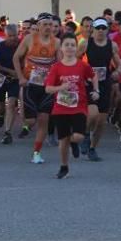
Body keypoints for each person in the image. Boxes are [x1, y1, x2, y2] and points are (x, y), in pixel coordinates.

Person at [44, 33, 99, 179]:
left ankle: (74, 143)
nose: (69, 48)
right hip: (60, 108)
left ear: (76, 48)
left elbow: (93, 76)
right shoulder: (56, 67)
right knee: (63, 140)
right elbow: (48, 88)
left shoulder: (82, 65)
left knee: (79, 136)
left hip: (79, 107)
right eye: (66, 45)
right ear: (61, 48)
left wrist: (96, 90)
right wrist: (60, 88)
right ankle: (64, 166)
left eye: (72, 45)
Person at [14, 12, 60, 164]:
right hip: (30, 85)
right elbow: (16, 57)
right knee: (31, 120)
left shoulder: (57, 42)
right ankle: (25, 117)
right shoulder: (29, 39)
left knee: (43, 119)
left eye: (50, 25)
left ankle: (36, 152)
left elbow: (60, 64)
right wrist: (20, 77)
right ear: (38, 26)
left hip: (47, 88)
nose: (48, 27)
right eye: (45, 24)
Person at [77, 17, 121, 161]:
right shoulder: (86, 44)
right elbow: (74, 60)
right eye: (98, 28)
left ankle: (92, 148)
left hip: (104, 84)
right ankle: (84, 135)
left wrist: (116, 72)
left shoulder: (112, 45)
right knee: (92, 114)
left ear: (107, 30)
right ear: (93, 30)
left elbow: (120, 64)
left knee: (101, 122)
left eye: (103, 28)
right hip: (89, 84)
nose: (101, 31)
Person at [0, 24, 21, 143]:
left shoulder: (21, 46)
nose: (13, 38)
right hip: (0, 76)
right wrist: (10, 71)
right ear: (5, 35)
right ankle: (1, 114)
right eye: (10, 36)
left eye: (15, 35)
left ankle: (7, 131)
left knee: (11, 103)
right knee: (0, 104)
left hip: (15, 79)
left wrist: (19, 72)